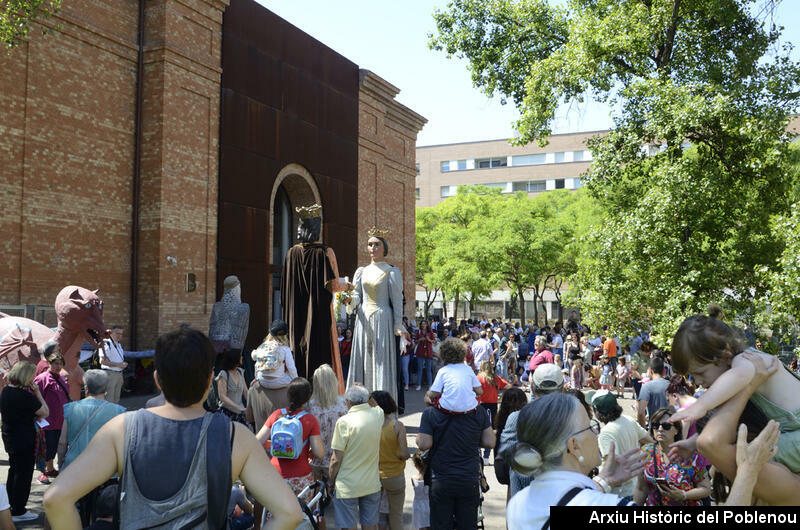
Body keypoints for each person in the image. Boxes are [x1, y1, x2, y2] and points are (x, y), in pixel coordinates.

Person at [43, 326, 303, 530]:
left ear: (157, 379)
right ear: (210, 380)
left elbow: (56, 498)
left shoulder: (122, 429)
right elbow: (289, 512)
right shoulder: (236, 437)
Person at [670, 305, 800, 473]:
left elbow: (739, 375)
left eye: (700, 373)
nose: (698, 382)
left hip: (796, 435)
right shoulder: (738, 373)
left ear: (725, 355)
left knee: (750, 458)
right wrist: (692, 443)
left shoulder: (746, 361)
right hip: (792, 433)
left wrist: (700, 405)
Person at [506, 394, 646, 527]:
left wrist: (604, 481)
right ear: (574, 446)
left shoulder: (517, 504)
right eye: (590, 427)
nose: (596, 433)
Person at [416, 373, 494, 530]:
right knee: (467, 524)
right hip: (468, 478)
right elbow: (489, 442)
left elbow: (423, 444)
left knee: (440, 524)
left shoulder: (431, 413)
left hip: (441, 478)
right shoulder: (478, 412)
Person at [281, 205, 348, 384]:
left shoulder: (290, 253)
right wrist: (347, 286)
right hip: (318, 317)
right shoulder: (325, 252)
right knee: (318, 349)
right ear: (316, 229)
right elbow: (333, 285)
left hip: (295, 316)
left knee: (297, 350)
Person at [56, 369, 126, 526]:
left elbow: (62, 442)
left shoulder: (70, 408)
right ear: (106, 388)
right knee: (102, 514)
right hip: (106, 472)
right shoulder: (118, 411)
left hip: (75, 468)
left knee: (76, 512)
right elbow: (121, 445)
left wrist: (61, 464)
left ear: (86, 388)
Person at [346, 230, 404, 401]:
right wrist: (349, 299)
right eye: (370, 244)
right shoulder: (361, 271)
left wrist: (397, 324)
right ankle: (359, 402)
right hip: (363, 319)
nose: (373, 247)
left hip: (382, 318)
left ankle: (381, 405)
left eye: (377, 244)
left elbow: (397, 300)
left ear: (384, 247)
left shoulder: (391, 271)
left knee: (381, 362)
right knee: (362, 359)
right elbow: (357, 296)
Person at [257, 377, 324, 502]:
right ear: (308, 397)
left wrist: (274, 445)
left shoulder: (276, 414)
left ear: (288, 395)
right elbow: (318, 453)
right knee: (302, 515)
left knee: (277, 514)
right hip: (300, 477)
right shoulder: (310, 420)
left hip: (275, 474)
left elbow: (257, 442)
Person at [328, 385, 384, 530]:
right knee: (370, 525)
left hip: (347, 485)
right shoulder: (378, 415)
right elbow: (375, 405)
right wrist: (367, 394)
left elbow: (336, 459)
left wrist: (330, 480)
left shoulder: (344, 422)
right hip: (371, 483)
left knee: (348, 525)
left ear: (347, 402)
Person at [0, 361, 49, 523]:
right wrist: (38, 393)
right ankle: (19, 510)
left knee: (14, 471)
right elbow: (45, 412)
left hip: (10, 437)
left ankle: (10, 507)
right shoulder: (26, 395)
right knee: (23, 475)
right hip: (24, 439)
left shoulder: (6, 391)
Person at [633, 407, 711, 506]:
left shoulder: (690, 454)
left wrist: (684, 495)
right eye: (656, 426)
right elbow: (641, 488)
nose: (660, 429)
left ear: (677, 430)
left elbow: (705, 489)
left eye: (666, 426)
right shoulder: (646, 452)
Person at [590, 391, 652, 497]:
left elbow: (612, 466)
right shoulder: (629, 419)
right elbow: (649, 440)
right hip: (636, 486)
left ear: (597, 411)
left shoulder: (606, 433)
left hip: (618, 492)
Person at [247, 320, 298, 429]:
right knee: (290, 377)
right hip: (279, 381)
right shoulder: (285, 349)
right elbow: (291, 368)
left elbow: (253, 356)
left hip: (262, 381)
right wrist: (296, 381)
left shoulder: (263, 347)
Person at [372, 391, 409, 530]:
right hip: (394, 476)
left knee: (373, 515)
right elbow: (404, 453)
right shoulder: (397, 426)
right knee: (396, 516)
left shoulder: (369, 426)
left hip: (374, 475)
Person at [34, 350, 71, 484]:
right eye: (55, 363)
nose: (58, 366)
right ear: (49, 363)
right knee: (46, 447)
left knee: (54, 446)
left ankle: (50, 469)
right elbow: (35, 398)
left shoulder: (61, 378)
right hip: (46, 421)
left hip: (60, 420)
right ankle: (42, 472)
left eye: (60, 364)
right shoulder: (42, 378)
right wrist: (38, 416)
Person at [424, 338, 482, 413]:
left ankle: (433, 419)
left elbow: (434, 392)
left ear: (443, 354)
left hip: (447, 408)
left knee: (427, 398)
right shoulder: (468, 369)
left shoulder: (443, 370)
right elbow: (480, 391)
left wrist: (428, 394)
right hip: (469, 409)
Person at [493, 388, 528, 497]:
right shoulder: (521, 418)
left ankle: (511, 512)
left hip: (501, 464)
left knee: (512, 489)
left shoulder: (501, 418)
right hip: (516, 465)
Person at [476, 360, 509, 464]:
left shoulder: (478, 378)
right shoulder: (495, 378)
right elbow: (508, 386)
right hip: (493, 406)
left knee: (477, 430)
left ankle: (479, 456)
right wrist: (501, 397)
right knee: (490, 431)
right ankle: (486, 457)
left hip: (480, 406)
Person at [216, 348, 248, 425]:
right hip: (227, 413)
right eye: (240, 356)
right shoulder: (223, 374)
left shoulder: (240, 372)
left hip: (240, 413)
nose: (242, 357)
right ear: (235, 358)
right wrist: (237, 407)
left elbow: (246, 391)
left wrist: (251, 405)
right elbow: (222, 396)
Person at [637, 356, 669, 428]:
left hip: (655, 429)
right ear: (664, 371)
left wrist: (644, 432)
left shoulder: (647, 387)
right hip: (670, 429)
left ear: (651, 371)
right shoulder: (671, 385)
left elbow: (641, 412)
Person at [98, 325, 127, 404]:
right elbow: (102, 361)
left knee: (116, 400)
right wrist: (119, 365)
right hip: (110, 374)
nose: (119, 336)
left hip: (119, 374)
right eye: (117, 333)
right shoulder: (106, 343)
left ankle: (115, 416)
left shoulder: (118, 344)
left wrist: (121, 365)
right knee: (109, 400)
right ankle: (108, 416)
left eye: (121, 334)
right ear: (110, 333)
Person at [410, 453, 430, 530]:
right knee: (429, 525)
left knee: (420, 525)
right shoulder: (430, 479)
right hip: (429, 505)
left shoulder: (413, 478)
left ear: (415, 465)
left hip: (418, 506)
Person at [414, 320, 435, 390]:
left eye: (424, 324)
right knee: (420, 369)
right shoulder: (418, 332)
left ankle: (430, 385)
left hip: (428, 352)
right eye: (422, 324)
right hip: (420, 352)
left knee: (428, 369)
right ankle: (418, 384)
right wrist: (420, 339)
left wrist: (429, 340)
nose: (423, 325)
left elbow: (434, 341)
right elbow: (415, 341)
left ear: (427, 325)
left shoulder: (430, 332)